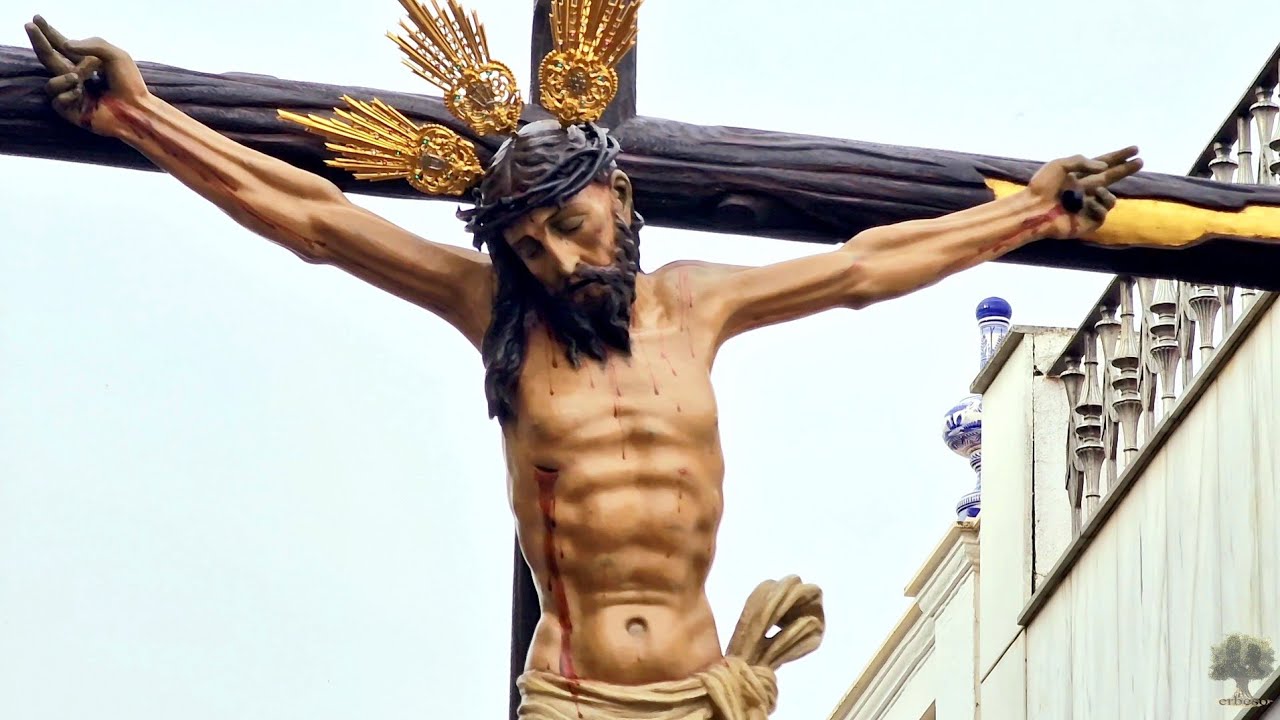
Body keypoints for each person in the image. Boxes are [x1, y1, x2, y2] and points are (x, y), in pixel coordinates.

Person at [24, 15, 1141, 719]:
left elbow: (864, 265)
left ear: (618, 194)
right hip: (571, 698)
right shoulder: (488, 310)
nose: (559, 258)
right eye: (530, 245)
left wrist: (1031, 214)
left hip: (707, 694)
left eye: (569, 223)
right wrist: (139, 114)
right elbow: (314, 217)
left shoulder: (697, 305)